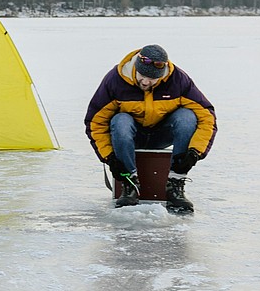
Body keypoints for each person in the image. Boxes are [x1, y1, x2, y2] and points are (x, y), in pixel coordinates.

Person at [84, 44, 216, 213]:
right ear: (135, 68)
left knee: (187, 117)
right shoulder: (115, 80)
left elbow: (207, 116)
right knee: (120, 120)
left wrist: (195, 152)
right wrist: (109, 158)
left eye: (152, 79)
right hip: (130, 135)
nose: (146, 82)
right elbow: (95, 122)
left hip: (162, 134)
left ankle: (175, 183)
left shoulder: (178, 80)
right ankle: (129, 184)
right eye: (142, 76)